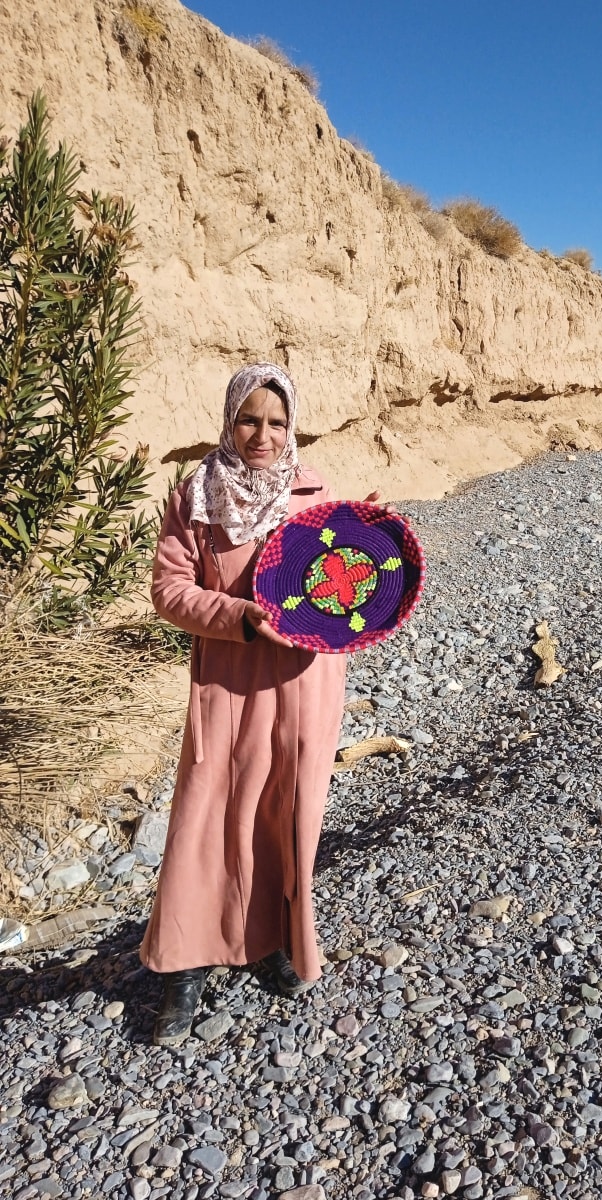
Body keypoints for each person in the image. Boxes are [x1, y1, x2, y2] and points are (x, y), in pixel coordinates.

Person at [141, 363, 382, 1046]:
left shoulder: (313, 492)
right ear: (228, 419)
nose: (263, 435)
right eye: (250, 419)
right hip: (231, 677)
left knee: (289, 811)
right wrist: (240, 616)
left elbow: (346, 581)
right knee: (204, 812)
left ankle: (277, 941)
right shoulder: (196, 496)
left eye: (276, 422)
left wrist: (371, 532)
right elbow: (169, 591)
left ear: (292, 426)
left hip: (306, 681)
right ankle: (183, 968)